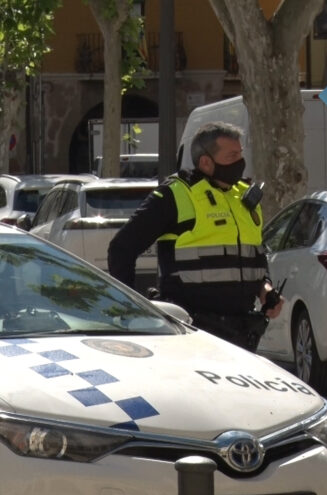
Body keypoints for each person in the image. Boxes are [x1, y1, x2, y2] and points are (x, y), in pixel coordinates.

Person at [107, 121, 283, 351]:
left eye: (240, 155)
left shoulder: (244, 198)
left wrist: (266, 290)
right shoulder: (177, 194)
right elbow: (121, 249)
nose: (240, 163)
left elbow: (255, 256)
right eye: (232, 157)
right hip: (191, 332)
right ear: (206, 162)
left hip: (243, 334)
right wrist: (132, 310)